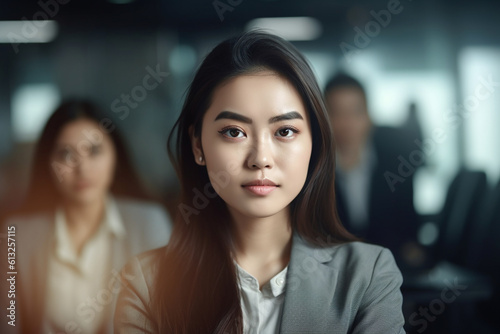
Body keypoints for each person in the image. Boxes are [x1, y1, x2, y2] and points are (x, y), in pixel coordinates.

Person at [114, 31, 405, 333]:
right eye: (234, 132)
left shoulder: (368, 275)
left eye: (284, 131)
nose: (260, 159)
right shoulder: (145, 285)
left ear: (314, 143)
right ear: (198, 146)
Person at [0, 100, 172, 334]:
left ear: (115, 155)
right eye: (66, 154)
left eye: (94, 151)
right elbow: (8, 322)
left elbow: (168, 321)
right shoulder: (14, 234)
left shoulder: (151, 224)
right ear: (48, 164)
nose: (83, 169)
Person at [324, 73, 421, 268]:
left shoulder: (397, 163)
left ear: (369, 117)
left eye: (356, 112)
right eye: (337, 113)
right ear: (323, 119)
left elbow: (409, 228)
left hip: (391, 268)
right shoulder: (311, 170)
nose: (347, 123)